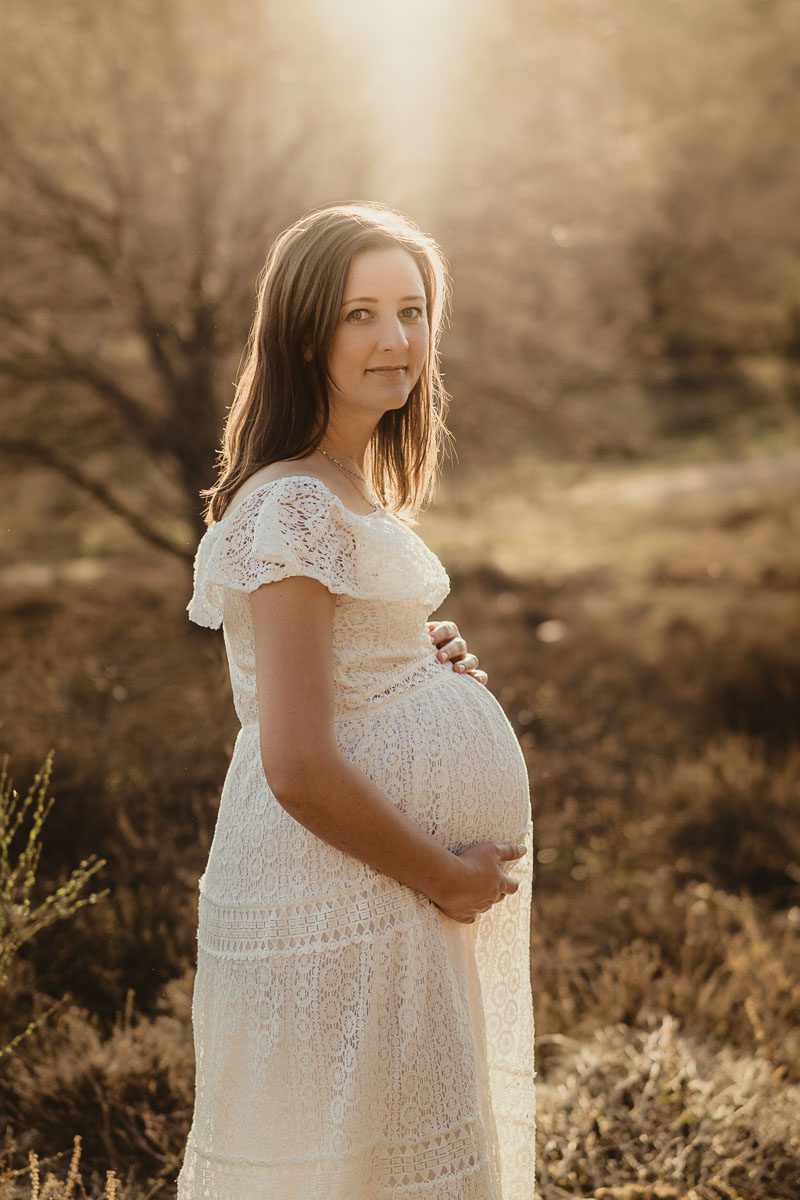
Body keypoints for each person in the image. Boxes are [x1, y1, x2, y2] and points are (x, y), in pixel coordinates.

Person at [176, 201, 536, 1200]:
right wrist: (443, 878)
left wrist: (411, 659)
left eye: (412, 311)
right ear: (302, 333)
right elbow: (292, 760)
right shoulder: (291, 499)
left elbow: (329, 669)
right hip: (344, 893)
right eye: (360, 314)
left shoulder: (345, 485)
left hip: (380, 900)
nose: (396, 339)